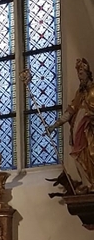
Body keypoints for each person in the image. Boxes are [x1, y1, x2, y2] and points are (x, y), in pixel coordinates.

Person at [48, 58, 94, 190]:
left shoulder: (93, 91)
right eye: (78, 74)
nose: (80, 77)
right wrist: (54, 126)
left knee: (91, 154)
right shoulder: (79, 93)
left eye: (82, 73)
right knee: (79, 155)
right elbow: (70, 111)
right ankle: (88, 183)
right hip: (79, 132)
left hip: (90, 131)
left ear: (88, 73)